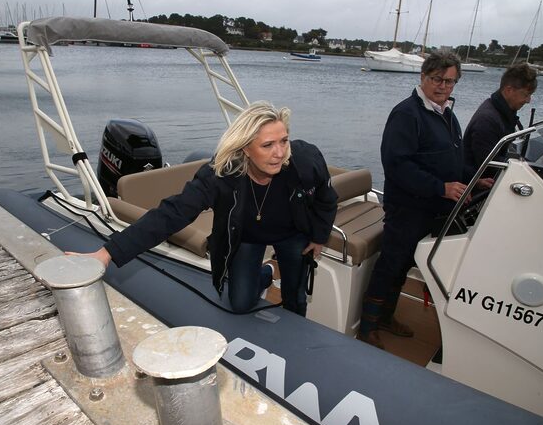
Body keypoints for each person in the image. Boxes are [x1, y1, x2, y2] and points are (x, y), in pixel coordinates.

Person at [73, 101, 337, 316]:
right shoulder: (220, 176)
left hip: (293, 234)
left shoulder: (305, 161)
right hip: (246, 236)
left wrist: (319, 236)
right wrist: (107, 253)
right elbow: (171, 214)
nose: (280, 153)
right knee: (240, 303)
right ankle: (268, 272)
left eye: (284, 141)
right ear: (245, 148)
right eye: (268, 145)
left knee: (296, 298)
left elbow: (327, 197)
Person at [358, 52, 493, 349]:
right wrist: (441, 187)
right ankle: (366, 327)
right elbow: (396, 165)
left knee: (405, 264)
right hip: (407, 207)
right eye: (438, 79)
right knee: (391, 264)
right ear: (423, 77)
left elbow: (453, 158)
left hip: (431, 206)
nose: (444, 86)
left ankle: (385, 317)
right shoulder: (407, 114)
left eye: (450, 81)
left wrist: (475, 178)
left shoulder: (447, 113)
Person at [464, 63, 538, 174]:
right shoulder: (487, 120)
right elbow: (488, 166)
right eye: (525, 94)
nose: (528, 100)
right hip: (479, 184)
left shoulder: (501, 112)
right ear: (509, 90)